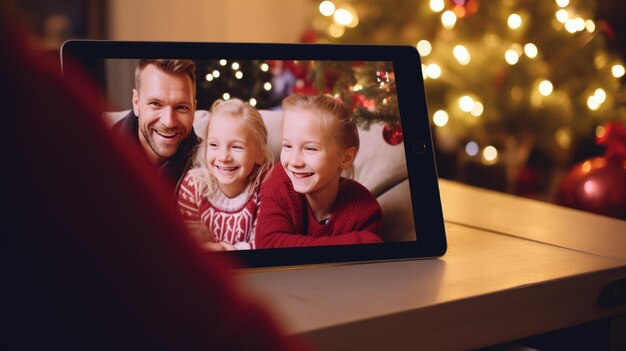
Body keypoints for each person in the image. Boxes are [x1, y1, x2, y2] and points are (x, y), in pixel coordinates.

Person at [255, 94, 383, 248]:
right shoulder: (277, 181)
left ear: (346, 158)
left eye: (310, 148)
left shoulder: (365, 210)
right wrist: (358, 241)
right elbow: (268, 244)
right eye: (287, 146)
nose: (295, 161)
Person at [177, 99, 273, 251]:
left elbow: (265, 244)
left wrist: (224, 251)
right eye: (214, 145)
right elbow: (183, 244)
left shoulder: (267, 188)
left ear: (259, 153)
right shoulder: (193, 185)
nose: (223, 157)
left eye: (236, 147)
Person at [113, 59, 200, 188]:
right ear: (136, 103)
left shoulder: (211, 167)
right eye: (156, 104)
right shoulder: (99, 153)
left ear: (194, 108)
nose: (169, 122)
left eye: (181, 107)